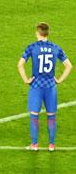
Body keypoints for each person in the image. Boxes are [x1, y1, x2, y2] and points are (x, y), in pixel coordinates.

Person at [17, 22, 72, 151]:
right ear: (48, 33)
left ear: (37, 33)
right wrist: (59, 80)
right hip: (50, 86)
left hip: (36, 86)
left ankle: (34, 144)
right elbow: (69, 66)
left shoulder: (32, 47)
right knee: (51, 115)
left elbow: (20, 65)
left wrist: (26, 80)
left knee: (34, 115)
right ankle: (51, 145)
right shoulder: (56, 48)